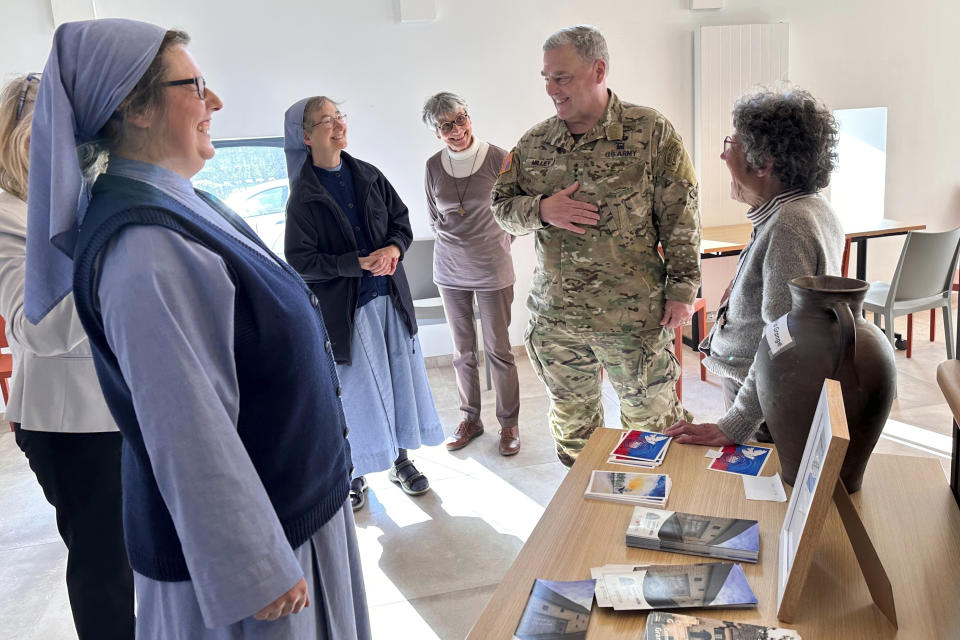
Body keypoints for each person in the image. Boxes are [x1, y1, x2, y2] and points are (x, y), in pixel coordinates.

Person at [26, 20, 370, 638]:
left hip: (286, 507)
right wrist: (251, 562)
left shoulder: (176, 199)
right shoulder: (144, 246)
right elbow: (185, 422)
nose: (215, 103)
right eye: (196, 86)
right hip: (258, 552)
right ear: (133, 107)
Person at [491, 24, 701, 467]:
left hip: (633, 321)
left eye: (561, 77)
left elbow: (681, 215)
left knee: (653, 428)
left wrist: (683, 291)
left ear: (598, 69)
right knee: (574, 434)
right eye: (546, 77)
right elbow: (500, 208)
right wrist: (543, 210)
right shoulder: (534, 144)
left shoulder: (650, 133)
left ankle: (651, 518)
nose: (550, 88)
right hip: (558, 322)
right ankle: (586, 515)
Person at [0, 73, 134, 640]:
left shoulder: (76, 198)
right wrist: (124, 275)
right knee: (106, 570)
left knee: (141, 557)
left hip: (122, 409)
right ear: (30, 141)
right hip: (71, 424)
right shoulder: (7, 215)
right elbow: (36, 329)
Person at [283, 96, 443, 511]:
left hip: (390, 298)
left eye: (340, 117)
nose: (337, 125)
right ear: (306, 136)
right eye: (325, 121)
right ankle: (353, 472)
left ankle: (400, 461)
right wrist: (353, 264)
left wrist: (393, 247)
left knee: (397, 383)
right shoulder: (303, 196)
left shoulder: (369, 175)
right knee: (355, 396)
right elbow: (301, 261)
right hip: (347, 312)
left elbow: (401, 222)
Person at [665, 87, 844, 447]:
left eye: (731, 144)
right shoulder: (805, 208)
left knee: (757, 496)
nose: (722, 154)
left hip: (766, 404)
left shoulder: (790, 224)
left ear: (764, 164)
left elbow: (781, 341)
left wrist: (735, 423)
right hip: (763, 392)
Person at [421, 92, 521, 456]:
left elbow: (514, 214)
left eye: (460, 119)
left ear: (469, 118)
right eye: (446, 125)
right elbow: (434, 217)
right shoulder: (433, 166)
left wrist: (492, 244)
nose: (456, 129)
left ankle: (508, 424)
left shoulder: (499, 158)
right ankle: (470, 419)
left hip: (492, 268)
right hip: (448, 268)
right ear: (437, 133)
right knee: (463, 351)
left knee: (498, 350)